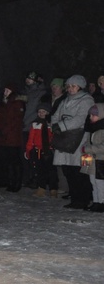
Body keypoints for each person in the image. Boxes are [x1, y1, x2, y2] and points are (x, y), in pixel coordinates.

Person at [52, 75, 95, 210]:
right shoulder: (65, 101)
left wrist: (62, 126)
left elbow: (81, 118)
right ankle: (75, 198)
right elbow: (55, 115)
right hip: (65, 139)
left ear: (80, 87)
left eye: (73, 86)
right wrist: (55, 125)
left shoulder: (87, 100)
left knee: (80, 170)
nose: (70, 89)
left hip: (79, 139)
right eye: (69, 86)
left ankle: (83, 199)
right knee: (68, 170)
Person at [82, 104, 104, 212]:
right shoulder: (92, 129)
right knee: (93, 181)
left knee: (100, 183)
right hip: (91, 159)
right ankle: (96, 201)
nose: (91, 117)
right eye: (90, 115)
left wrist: (88, 149)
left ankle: (101, 202)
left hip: (101, 160)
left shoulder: (102, 129)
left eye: (93, 115)